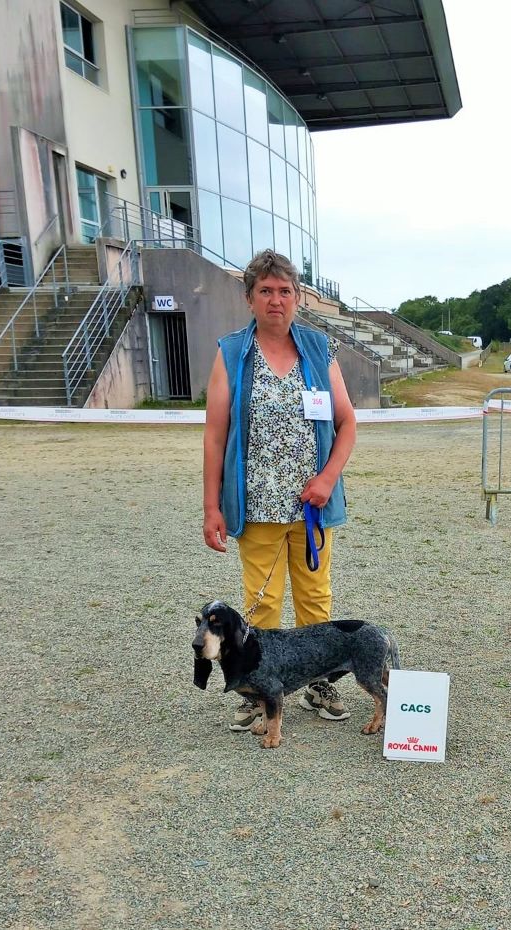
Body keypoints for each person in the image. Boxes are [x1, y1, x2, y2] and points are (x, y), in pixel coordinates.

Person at [203, 249, 357, 731]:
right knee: (262, 601)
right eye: (265, 290)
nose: (276, 299)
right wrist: (211, 507)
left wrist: (327, 477)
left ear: (298, 298)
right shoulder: (232, 353)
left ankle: (318, 681)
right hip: (256, 505)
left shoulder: (318, 349)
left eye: (285, 290)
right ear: (249, 298)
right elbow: (214, 435)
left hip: (313, 505)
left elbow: (347, 421)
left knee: (315, 599)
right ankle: (257, 689)